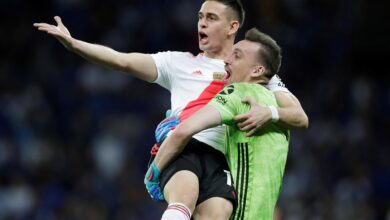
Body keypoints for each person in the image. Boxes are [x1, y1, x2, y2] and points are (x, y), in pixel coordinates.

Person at [33, 0, 308, 219]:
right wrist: (75, 44)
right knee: (184, 198)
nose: (201, 22)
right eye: (200, 16)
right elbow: (122, 61)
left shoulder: (252, 67)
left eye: (211, 18)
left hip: (221, 161)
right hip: (183, 146)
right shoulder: (178, 63)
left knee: (218, 214)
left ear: (231, 26)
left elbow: (299, 116)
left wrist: (269, 113)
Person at [147, 27, 290, 220]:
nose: (227, 60)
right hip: (256, 210)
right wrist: (271, 113)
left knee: (185, 201)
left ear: (257, 70)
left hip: (243, 210)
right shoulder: (281, 109)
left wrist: (154, 171)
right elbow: (303, 118)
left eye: (237, 56)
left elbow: (185, 129)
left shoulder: (235, 94)